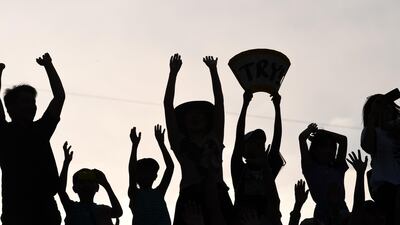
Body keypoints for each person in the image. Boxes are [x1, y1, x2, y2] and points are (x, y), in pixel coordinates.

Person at [164, 54, 232, 225]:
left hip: (218, 193)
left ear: (207, 120)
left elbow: (220, 102)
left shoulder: (215, 137)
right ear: (184, 123)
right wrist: (173, 74)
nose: (195, 118)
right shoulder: (179, 143)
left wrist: (213, 71)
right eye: (190, 117)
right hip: (190, 196)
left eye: (199, 115)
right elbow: (167, 105)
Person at [0, 53, 64, 225]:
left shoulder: (40, 130)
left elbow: (59, 97)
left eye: (32, 102)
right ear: (11, 108)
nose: (31, 106)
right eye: (25, 102)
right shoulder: (4, 132)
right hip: (16, 213)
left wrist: (49, 66)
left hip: (46, 211)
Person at [231, 91, 284, 225]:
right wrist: (245, 104)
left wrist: (277, 107)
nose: (258, 144)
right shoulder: (239, 169)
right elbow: (238, 138)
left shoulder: (267, 168)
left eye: (261, 142)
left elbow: (276, 139)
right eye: (253, 142)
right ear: (244, 149)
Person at [361, 89, 400, 225]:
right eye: (382, 106)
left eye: (388, 105)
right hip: (386, 188)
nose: (387, 108)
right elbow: (368, 145)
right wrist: (373, 116)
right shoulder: (373, 132)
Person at [59, 142, 123, 225]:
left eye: (90, 181)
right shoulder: (72, 207)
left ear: (97, 187)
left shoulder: (103, 210)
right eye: (82, 182)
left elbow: (118, 212)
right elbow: (61, 190)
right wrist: (66, 163)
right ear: (75, 188)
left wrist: (106, 185)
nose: (86, 184)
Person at [298, 123, 349, 225]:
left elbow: (343, 140)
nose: (329, 150)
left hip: (342, 212)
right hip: (323, 215)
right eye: (324, 146)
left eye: (331, 147)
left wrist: (323, 133)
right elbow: (302, 138)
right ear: (315, 149)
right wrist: (311, 131)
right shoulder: (310, 168)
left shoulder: (337, 167)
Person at [128, 125, 174, 225]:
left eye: (150, 172)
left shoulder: (159, 192)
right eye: (144, 172)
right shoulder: (134, 193)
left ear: (155, 176)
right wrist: (134, 146)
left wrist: (162, 144)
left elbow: (170, 167)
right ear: (137, 176)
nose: (147, 175)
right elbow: (131, 171)